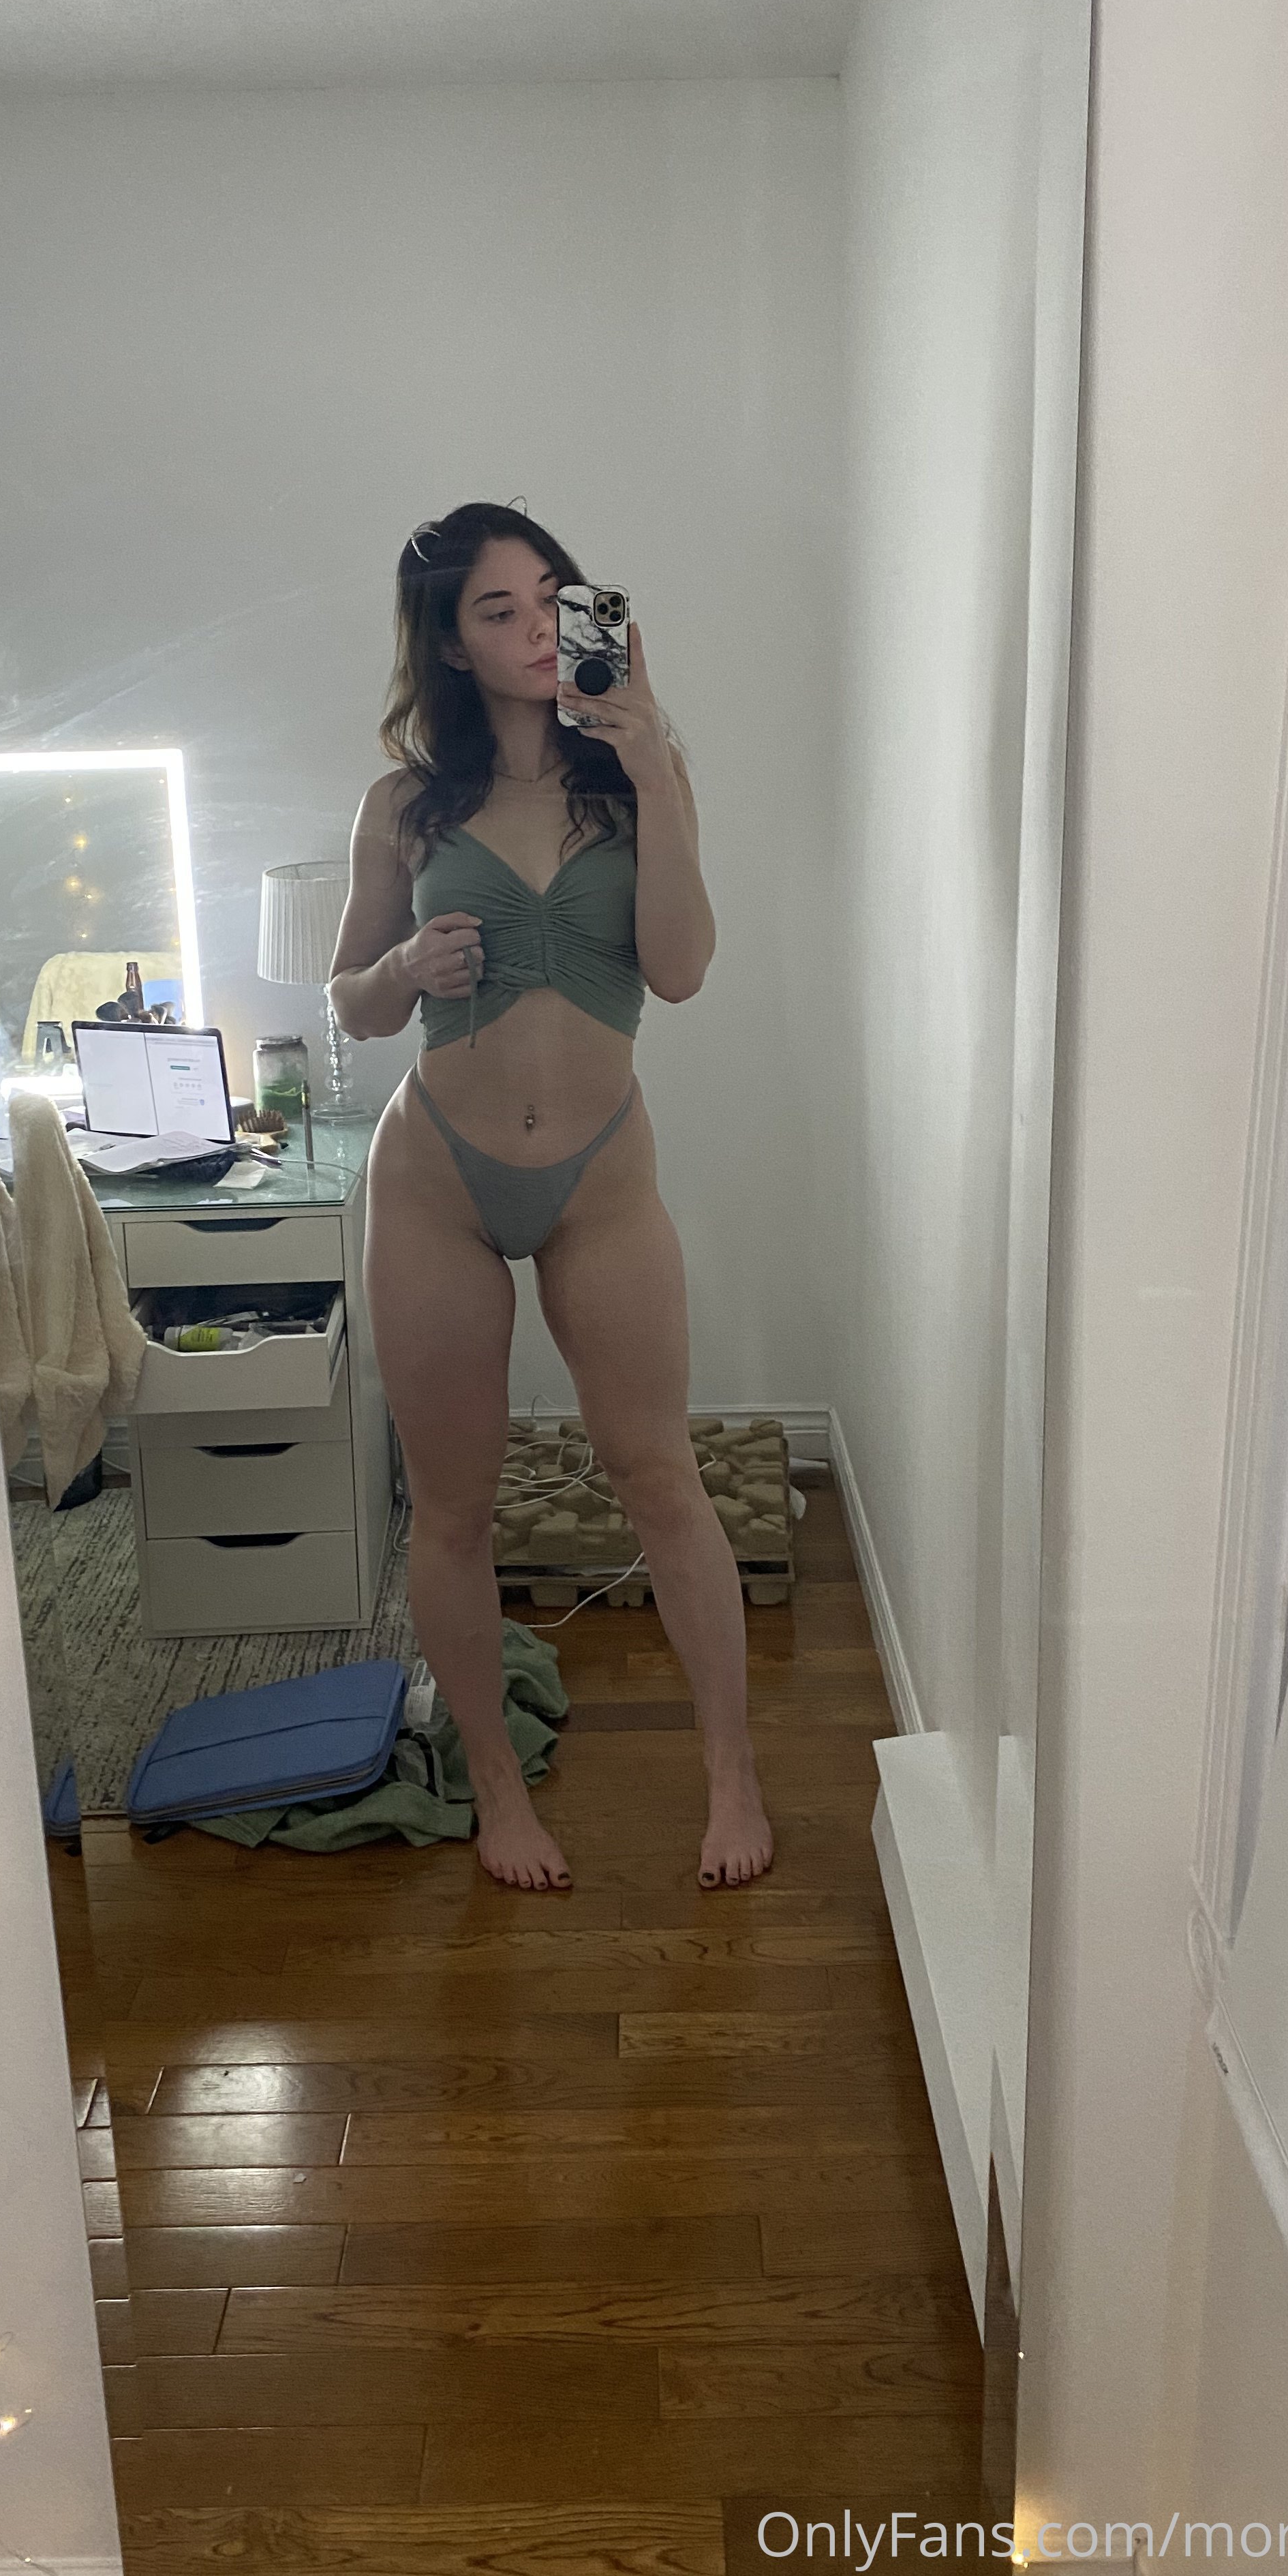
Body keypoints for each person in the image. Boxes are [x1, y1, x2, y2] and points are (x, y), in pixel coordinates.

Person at [328, 500, 774, 1894]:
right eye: (499, 611)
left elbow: (681, 971)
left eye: (551, 599)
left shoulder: (639, 778)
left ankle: (732, 1772)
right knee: (455, 1509)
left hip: (602, 1181)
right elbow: (350, 1003)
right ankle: (497, 1791)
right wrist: (404, 970)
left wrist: (654, 773)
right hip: (435, 1185)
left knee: (658, 1475)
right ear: (450, 646)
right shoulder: (405, 805)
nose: (535, 630)